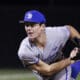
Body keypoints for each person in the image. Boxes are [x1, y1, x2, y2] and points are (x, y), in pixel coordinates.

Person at [18, 10, 80, 80]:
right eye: (26, 25)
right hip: (44, 72)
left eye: (32, 25)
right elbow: (48, 70)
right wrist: (71, 60)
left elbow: (70, 30)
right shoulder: (24, 50)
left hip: (61, 66)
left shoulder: (55, 34)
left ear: (42, 26)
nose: (28, 28)